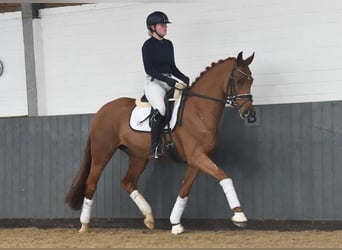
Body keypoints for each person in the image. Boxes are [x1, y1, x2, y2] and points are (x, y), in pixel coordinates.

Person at [142, 11, 190, 160]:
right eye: (162, 25)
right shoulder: (148, 46)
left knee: (187, 100)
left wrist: (183, 78)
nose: (165, 27)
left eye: (165, 25)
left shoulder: (168, 44)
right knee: (161, 108)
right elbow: (149, 69)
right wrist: (167, 80)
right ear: (152, 27)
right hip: (154, 82)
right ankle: (154, 147)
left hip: (169, 80)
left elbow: (173, 67)